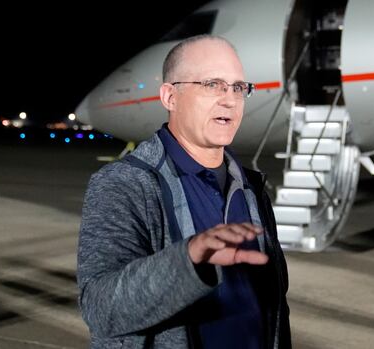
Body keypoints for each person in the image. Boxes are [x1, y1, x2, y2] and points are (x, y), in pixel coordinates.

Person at [77, 35, 291, 349]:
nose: (229, 100)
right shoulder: (123, 183)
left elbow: (275, 305)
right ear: (170, 97)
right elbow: (101, 309)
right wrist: (188, 261)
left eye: (238, 87)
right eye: (212, 85)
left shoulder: (250, 187)